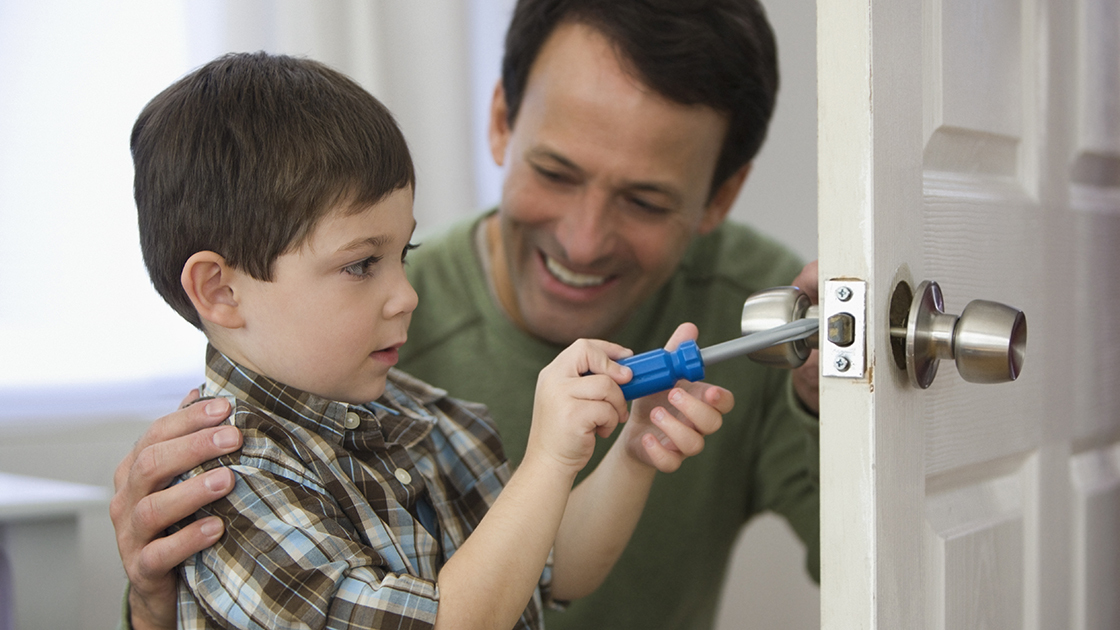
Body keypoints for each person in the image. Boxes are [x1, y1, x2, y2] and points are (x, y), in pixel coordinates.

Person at [111, 1, 822, 629]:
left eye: (402, 253)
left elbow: (550, 567)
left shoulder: (417, 415)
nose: (406, 294)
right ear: (219, 291)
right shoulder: (231, 495)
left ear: (722, 195)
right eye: (363, 264)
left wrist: (631, 453)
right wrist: (545, 460)